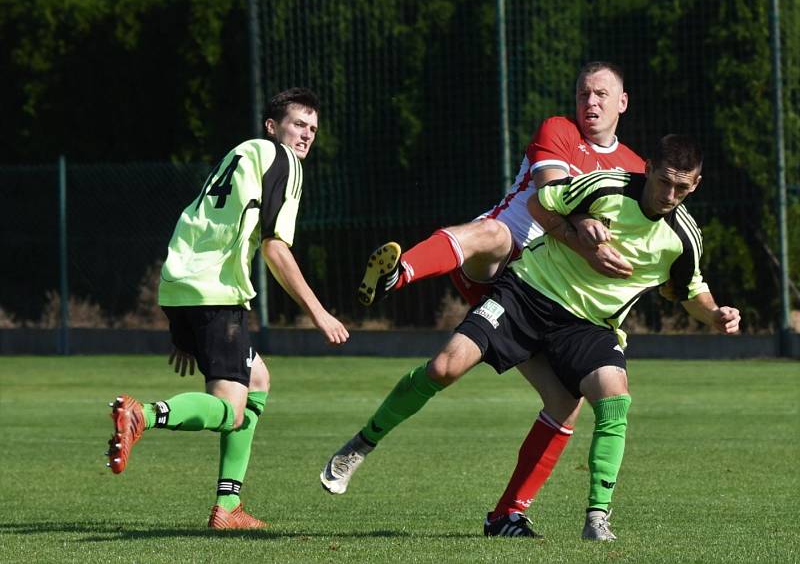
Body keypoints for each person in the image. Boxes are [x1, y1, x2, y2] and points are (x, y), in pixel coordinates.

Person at [321, 133, 740, 541]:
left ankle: (591, 518)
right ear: (647, 169)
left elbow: (687, 291)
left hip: (588, 327)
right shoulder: (608, 185)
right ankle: (362, 443)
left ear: (695, 184)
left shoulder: (684, 237)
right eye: (663, 181)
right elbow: (541, 205)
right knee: (445, 367)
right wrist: (582, 234)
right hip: (528, 292)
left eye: (681, 188)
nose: (669, 194)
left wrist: (716, 315)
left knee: (609, 397)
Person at [343, 62, 645, 536]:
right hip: (504, 270)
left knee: (564, 403)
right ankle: (398, 276)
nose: (592, 103)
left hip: (554, 297)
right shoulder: (560, 131)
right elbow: (546, 199)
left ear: (622, 102)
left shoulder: (636, 170)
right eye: (585, 93)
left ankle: (506, 516)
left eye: (603, 95)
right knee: (492, 233)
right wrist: (588, 239)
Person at [105, 87, 349, 529]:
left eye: (313, 129)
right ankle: (144, 414)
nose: (307, 135)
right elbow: (276, 248)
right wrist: (319, 312)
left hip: (180, 284)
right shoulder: (283, 160)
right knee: (230, 410)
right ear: (273, 127)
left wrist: (184, 330)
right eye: (298, 124)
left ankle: (228, 507)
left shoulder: (237, 155)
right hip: (216, 293)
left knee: (257, 379)